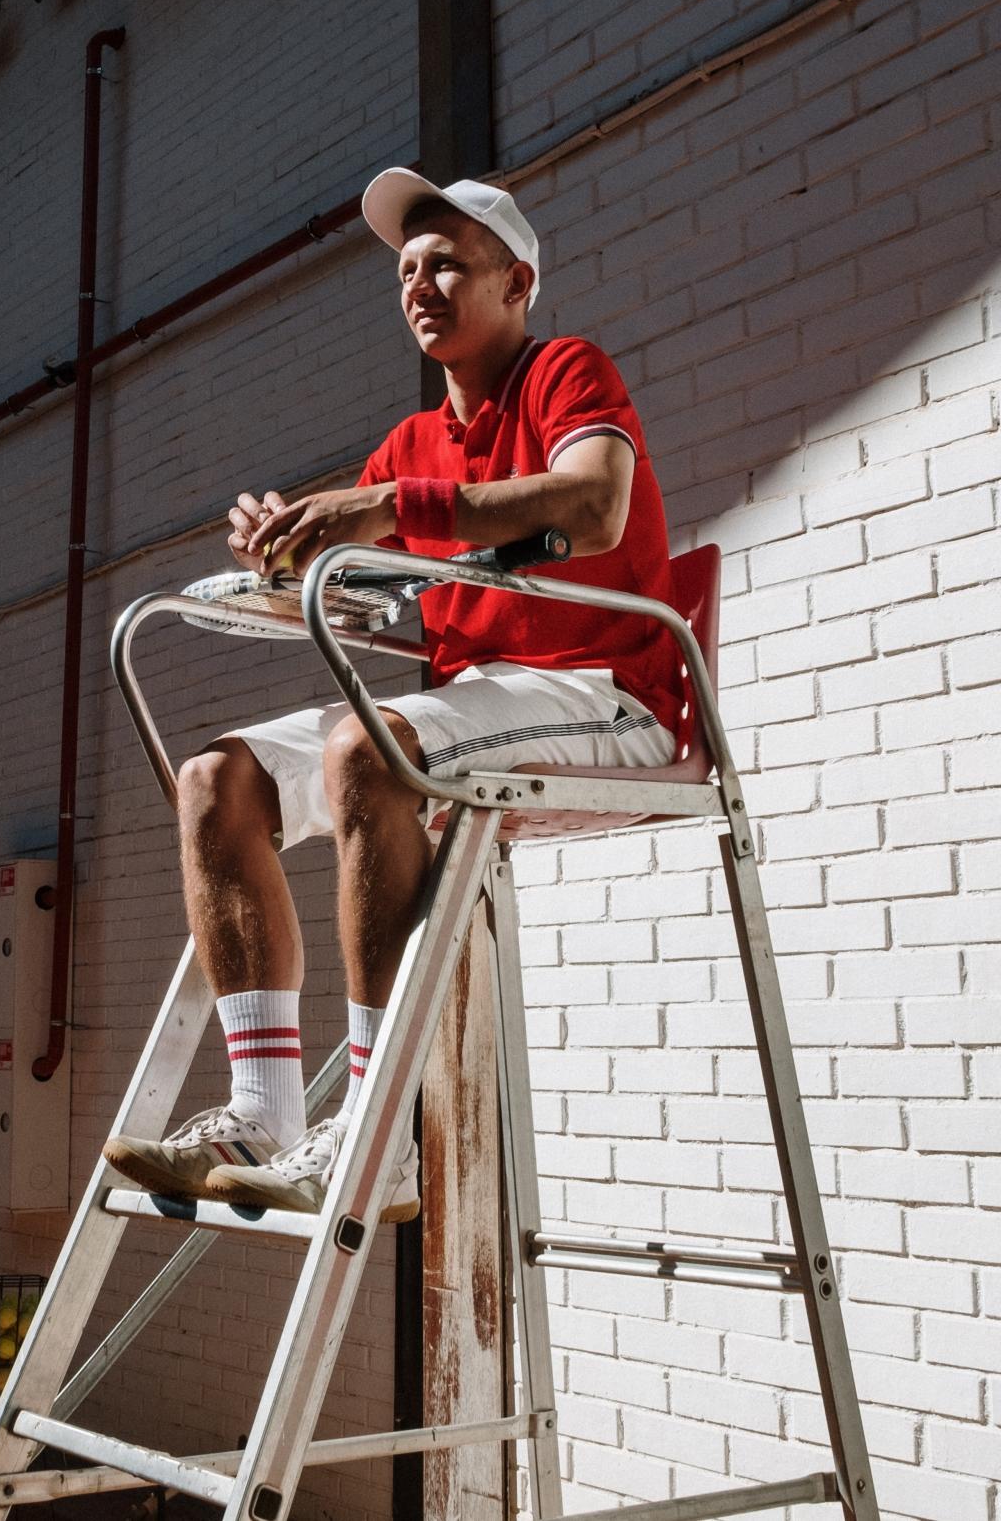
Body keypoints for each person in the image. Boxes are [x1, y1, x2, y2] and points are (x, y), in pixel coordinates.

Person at [101, 167, 683, 1221]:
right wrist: (282, 555)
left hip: (610, 693)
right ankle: (261, 1110)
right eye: (407, 268)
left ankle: (377, 1140)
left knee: (371, 753)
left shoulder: (562, 372)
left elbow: (594, 504)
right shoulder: (413, 445)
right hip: (479, 699)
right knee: (213, 780)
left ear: (517, 283)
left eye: (449, 262)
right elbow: (368, 566)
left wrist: (379, 508)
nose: (421, 282)